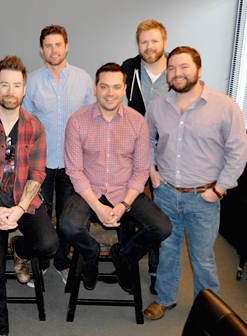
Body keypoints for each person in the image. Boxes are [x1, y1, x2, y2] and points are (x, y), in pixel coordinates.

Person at [143, 46, 247, 320]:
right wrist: (152, 171)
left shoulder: (225, 107)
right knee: (168, 249)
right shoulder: (158, 106)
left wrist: (220, 189)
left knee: (203, 257)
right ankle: (165, 299)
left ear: (199, 70)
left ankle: (208, 307)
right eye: (172, 68)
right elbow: (147, 142)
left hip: (204, 196)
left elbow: (238, 151)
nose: (177, 73)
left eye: (184, 67)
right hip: (166, 193)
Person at [0, 56, 58, 336]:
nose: (10, 91)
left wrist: (18, 209)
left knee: (49, 245)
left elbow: (38, 173)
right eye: (4, 85)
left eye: (16, 85)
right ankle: (1, 331)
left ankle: (21, 250)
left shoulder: (34, 126)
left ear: (24, 89)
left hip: (23, 203)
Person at [60, 63, 171, 293]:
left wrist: (124, 204)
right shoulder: (77, 121)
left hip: (125, 190)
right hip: (89, 190)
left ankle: (123, 256)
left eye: (116, 87)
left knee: (162, 227)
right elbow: (74, 171)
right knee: (68, 226)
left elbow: (141, 171)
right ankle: (91, 256)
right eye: (104, 87)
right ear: (95, 88)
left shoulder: (137, 121)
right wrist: (98, 208)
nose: (110, 93)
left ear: (124, 90)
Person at [23, 25, 94, 284]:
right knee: (41, 214)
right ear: (42, 50)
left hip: (73, 164)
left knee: (67, 218)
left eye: (58, 44)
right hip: (41, 163)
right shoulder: (31, 81)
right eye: (48, 46)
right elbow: (26, 123)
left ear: (67, 46)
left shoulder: (83, 79)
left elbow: (91, 122)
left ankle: (63, 263)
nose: (54, 50)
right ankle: (41, 262)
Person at [122, 18, 169, 294]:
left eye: (154, 41)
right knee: (130, 209)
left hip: (166, 155)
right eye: (144, 41)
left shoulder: (175, 71)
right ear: (137, 44)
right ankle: (127, 264)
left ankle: (155, 270)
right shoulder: (129, 68)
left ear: (164, 41)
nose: (149, 46)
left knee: (159, 215)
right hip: (134, 152)